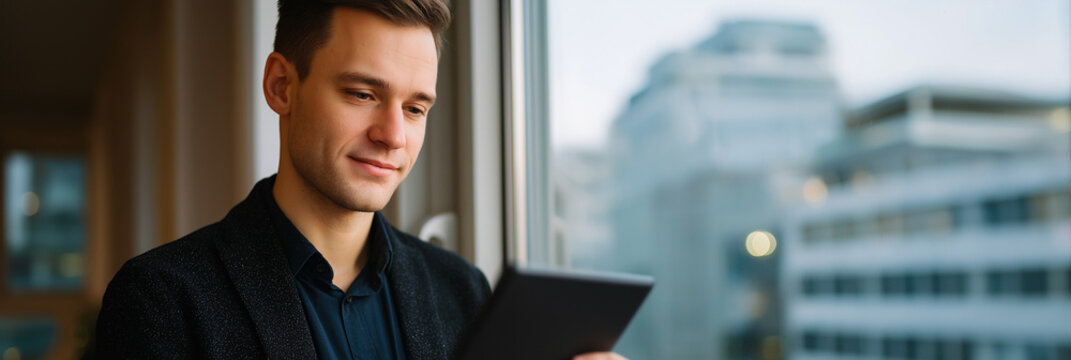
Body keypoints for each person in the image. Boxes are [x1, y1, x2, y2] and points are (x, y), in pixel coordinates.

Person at [94, 0, 626, 359]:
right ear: (281, 85)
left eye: (415, 108)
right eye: (362, 94)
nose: (394, 135)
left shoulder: (461, 289)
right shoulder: (161, 300)